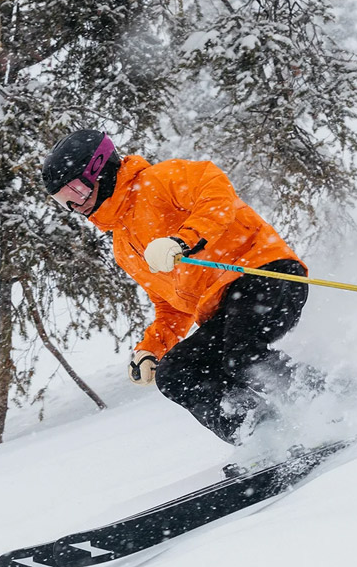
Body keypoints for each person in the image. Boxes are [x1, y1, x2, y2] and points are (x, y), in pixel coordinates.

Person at [42, 128, 316, 445]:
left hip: (265, 272)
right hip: (224, 306)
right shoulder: (123, 245)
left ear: (99, 169)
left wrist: (182, 240)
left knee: (241, 356)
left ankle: (329, 399)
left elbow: (216, 193)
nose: (74, 208)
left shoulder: (159, 179)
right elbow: (170, 304)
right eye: (63, 202)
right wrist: (152, 349)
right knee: (178, 371)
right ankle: (262, 434)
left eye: (75, 192)